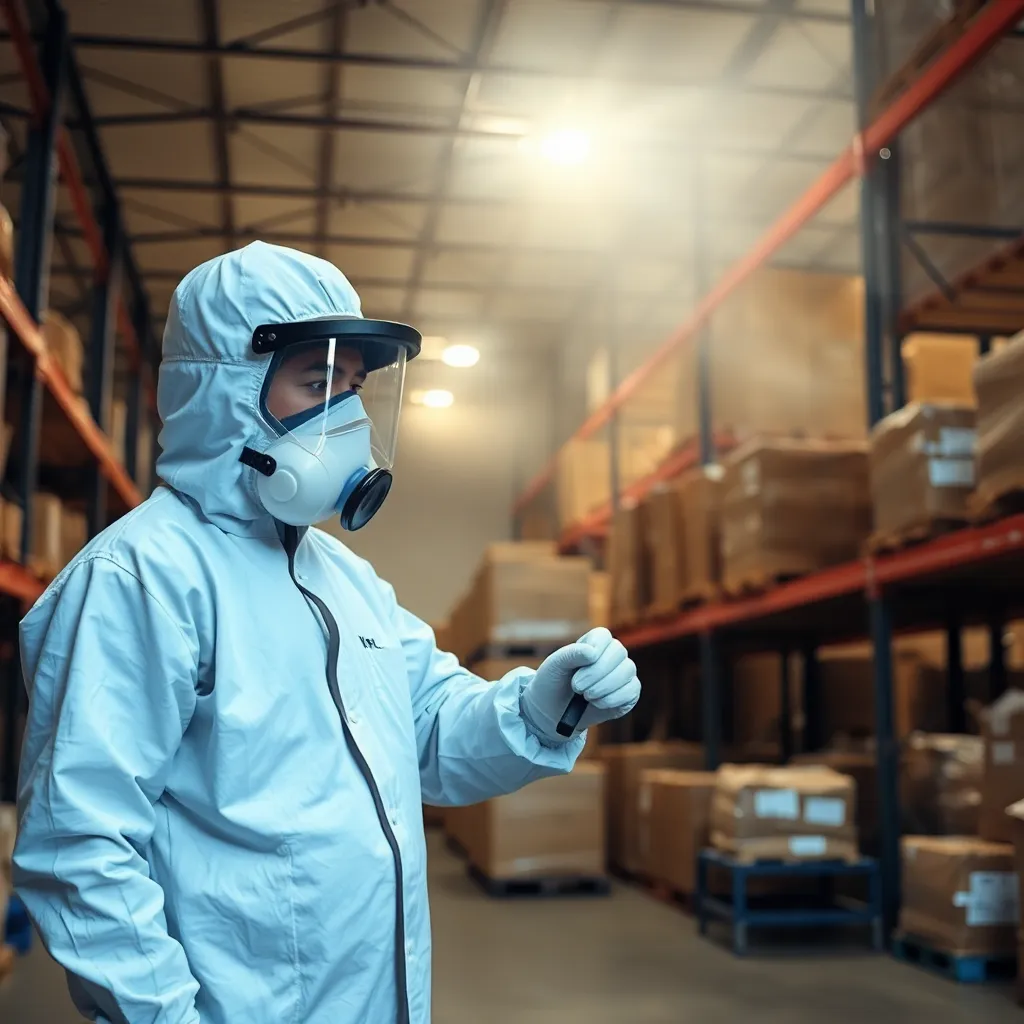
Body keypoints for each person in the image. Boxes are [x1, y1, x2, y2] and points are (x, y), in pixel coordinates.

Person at [13, 242, 641, 1024]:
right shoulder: (142, 578)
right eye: (317, 383)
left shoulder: (344, 580)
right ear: (229, 391)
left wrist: (538, 710)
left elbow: (426, 735)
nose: (344, 419)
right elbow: (81, 847)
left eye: (352, 389)